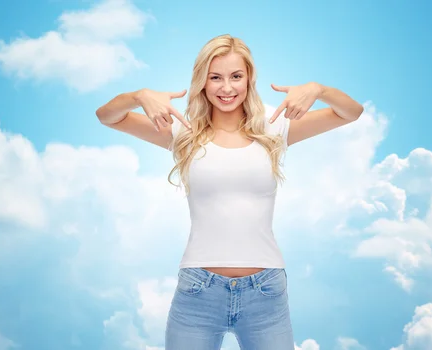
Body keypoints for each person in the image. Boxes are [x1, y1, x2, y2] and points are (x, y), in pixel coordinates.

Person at [96, 34, 363, 350]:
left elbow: (351, 112)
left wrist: (319, 90)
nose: (226, 88)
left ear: (249, 78)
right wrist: (138, 96)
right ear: (202, 83)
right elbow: (107, 116)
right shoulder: (183, 132)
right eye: (215, 78)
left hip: (265, 293)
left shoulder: (274, 127)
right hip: (198, 292)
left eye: (236, 76)